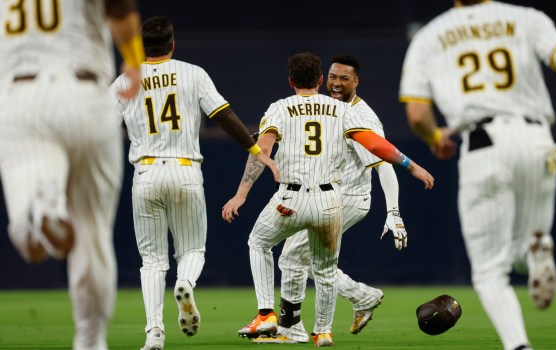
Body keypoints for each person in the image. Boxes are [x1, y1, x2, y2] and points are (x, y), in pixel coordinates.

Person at [399, 1, 556, 349]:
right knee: (525, 243)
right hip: (538, 141)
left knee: (490, 270)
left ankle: (519, 345)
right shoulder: (526, 17)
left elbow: (416, 115)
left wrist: (435, 137)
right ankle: (538, 251)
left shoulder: (429, 36)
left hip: (482, 146)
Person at [222, 52, 434, 347]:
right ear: (322, 79)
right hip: (330, 198)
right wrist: (413, 165)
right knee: (309, 263)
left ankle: (284, 321)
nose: (336, 83)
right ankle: (322, 329)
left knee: (279, 252)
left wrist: (394, 211)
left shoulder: (354, 114)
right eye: (332, 77)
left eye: (343, 78)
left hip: (342, 196)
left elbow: (379, 163)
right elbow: (377, 146)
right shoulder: (338, 110)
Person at [110, 15, 278, 350]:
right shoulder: (192, 73)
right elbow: (224, 117)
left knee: (152, 260)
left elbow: (98, 129)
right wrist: (258, 151)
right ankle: (184, 283)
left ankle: (154, 334)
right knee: (192, 249)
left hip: (145, 172)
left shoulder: (122, 83)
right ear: (172, 44)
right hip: (185, 169)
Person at [0, 0, 144, 349]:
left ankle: (40, 209)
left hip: (22, 94)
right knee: (92, 233)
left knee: (27, 213)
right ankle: (91, 341)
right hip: (88, 94)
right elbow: (120, 10)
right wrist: (134, 59)